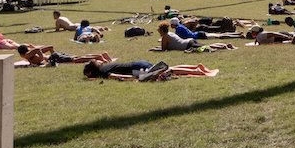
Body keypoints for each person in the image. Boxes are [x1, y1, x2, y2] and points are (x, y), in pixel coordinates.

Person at [83, 60, 217, 80]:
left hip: (137, 70)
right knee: (170, 69)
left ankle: (197, 72)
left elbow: (118, 76)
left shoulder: (103, 72)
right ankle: (194, 67)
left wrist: (134, 80)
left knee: (166, 73)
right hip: (138, 62)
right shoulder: (105, 65)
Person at [17, 44, 111, 66]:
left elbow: (37, 50)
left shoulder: (26, 55)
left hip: (54, 57)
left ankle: (97, 57)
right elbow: (50, 47)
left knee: (75, 60)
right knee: (76, 58)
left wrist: (42, 59)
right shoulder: (30, 54)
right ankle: (100, 55)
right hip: (55, 56)